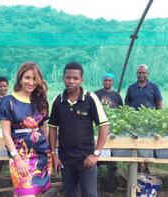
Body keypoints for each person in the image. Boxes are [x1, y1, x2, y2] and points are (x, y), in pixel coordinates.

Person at [48, 61, 109, 197]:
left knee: (89, 194)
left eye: (75, 78)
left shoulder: (90, 98)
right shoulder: (58, 101)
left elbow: (104, 126)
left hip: (86, 158)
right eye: (68, 77)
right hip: (65, 158)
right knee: (70, 193)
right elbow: (52, 128)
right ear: (63, 78)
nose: (71, 81)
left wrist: (96, 153)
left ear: (82, 80)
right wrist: (53, 154)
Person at [0, 62, 52, 196]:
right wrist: (17, 158)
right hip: (20, 154)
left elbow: (43, 129)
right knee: (26, 192)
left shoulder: (41, 101)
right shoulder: (8, 101)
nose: (31, 82)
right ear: (20, 78)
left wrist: (51, 152)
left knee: (24, 193)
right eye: (27, 77)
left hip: (40, 154)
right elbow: (6, 133)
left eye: (35, 79)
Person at [125, 64, 163, 173]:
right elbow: (127, 103)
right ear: (137, 74)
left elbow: (159, 103)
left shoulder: (154, 87)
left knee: (147, 142)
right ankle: (135, 166)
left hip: (149, 120)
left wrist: (159, 118)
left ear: (147, 74)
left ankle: (145, 166)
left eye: (144, 73)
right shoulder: (131, 88)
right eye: (139, 73)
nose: (141, 75)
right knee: (134, 142)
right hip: (134, 120)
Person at [95, 72, 123, 191]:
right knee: (96, 158)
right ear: (102, 81)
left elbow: (122, 112)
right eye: (105, 80)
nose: (107, 82)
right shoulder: (96, 94)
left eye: (109, 80)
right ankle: (94, 185)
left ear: (112, 82)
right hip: (97, 129)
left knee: (112, 160)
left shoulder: (116, 96)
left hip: (113, 130)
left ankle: (110, 186)